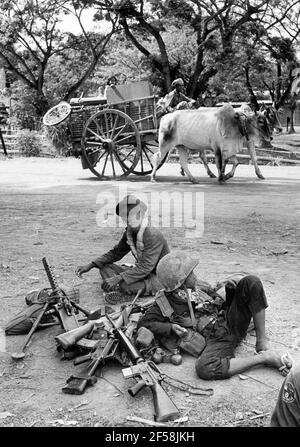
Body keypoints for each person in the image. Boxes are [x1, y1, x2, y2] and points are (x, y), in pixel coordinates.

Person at [138, 251, 293, 380]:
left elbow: (220, 306)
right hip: (216, 340)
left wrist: (230, 292)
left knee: (251, 282)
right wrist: (170, 327)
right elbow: (145, 323)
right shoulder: (164, 303)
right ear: (181, 282)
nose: (194, 275)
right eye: (190, 273)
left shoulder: (199, 287)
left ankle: (262, 343)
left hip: (229, 322)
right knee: (204, 367)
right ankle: (264, 358)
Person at [76, 195, 170, 304]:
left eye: (130, 216)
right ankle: (116, 288)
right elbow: (116, 253)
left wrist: (118, 278)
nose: (126, 220)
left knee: (125, 285)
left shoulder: (152, 234)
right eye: (124, 217)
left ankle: (117, 288)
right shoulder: (130, 232)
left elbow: (146, 267)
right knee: (104, 267)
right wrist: (91, 265)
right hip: (141, 272)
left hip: (158, 276)